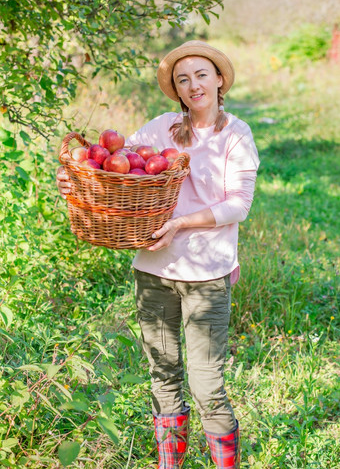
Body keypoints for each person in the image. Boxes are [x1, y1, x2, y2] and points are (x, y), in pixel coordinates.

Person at [57, 40, 260, 469]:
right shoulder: (163, 127)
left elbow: (239, 204)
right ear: (176, 88)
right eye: (182, 79)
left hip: (207, 273)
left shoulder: (235, 134)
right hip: (153, 271)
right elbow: (119, 164)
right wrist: (77, 180)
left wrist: (180, 223)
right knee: (163, 378)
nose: (193, 85)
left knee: (206, 386)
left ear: (219, 80)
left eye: (201, 75)